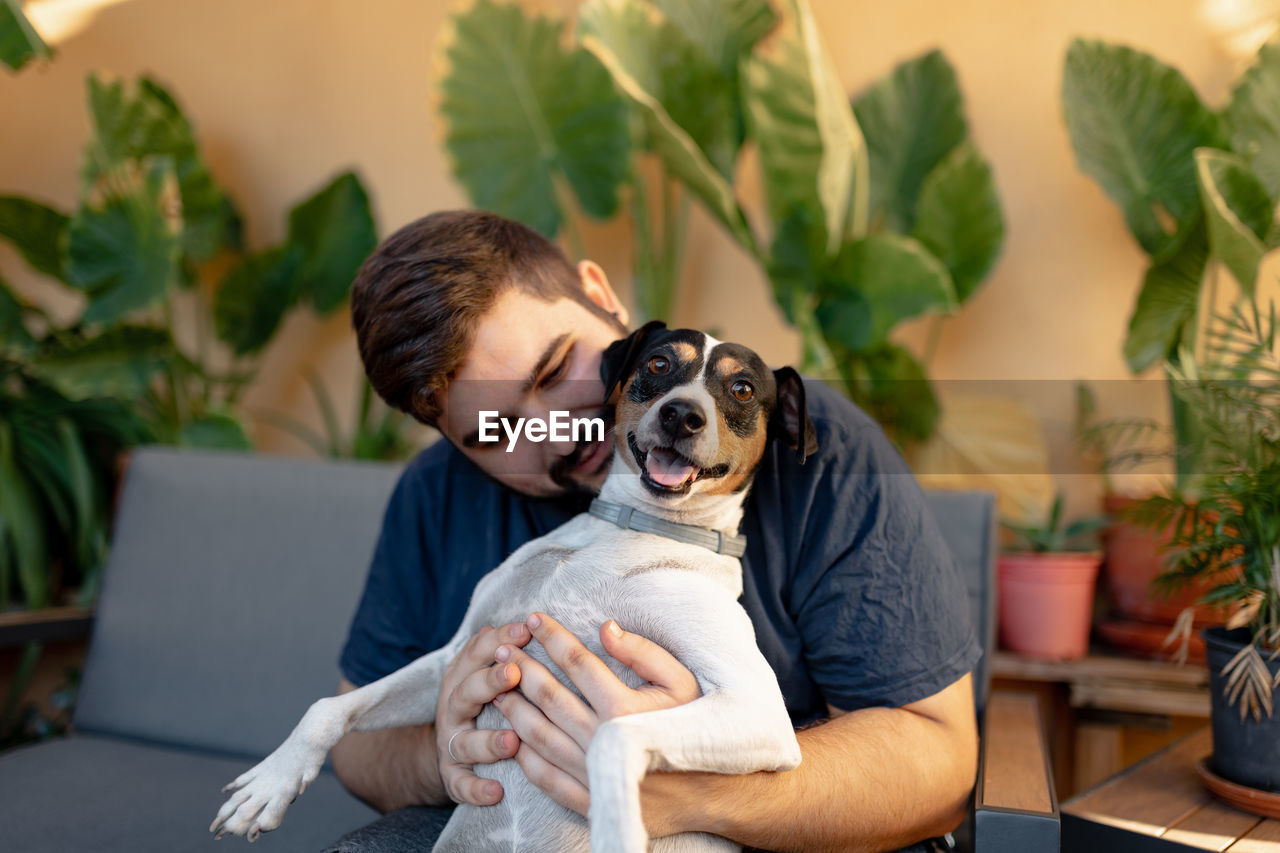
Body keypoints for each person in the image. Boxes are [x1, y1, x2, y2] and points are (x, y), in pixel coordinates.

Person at [323, 210, 980, 853]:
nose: (557, 424)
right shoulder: (435, 492)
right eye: (497, 429)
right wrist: (446, 750)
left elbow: (938, 754)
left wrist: (682, 789)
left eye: (555, 371)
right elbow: (355, 746)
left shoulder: (820, 453)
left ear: (602, 296)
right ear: (455, 442)